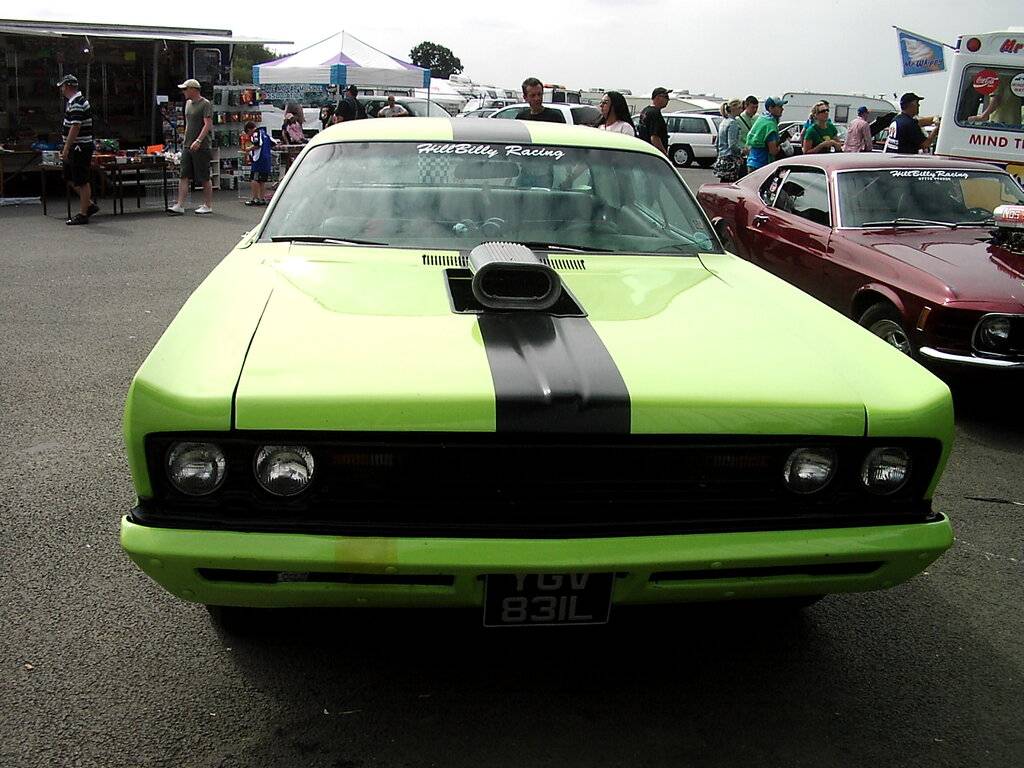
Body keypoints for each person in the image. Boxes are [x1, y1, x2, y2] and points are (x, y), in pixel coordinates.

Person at [167, 78, 213, 215]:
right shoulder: (187, 104)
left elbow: (207, 124)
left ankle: (208, 205)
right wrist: (185, 138)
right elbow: (188, 123)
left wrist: (199, 140)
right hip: (187, 144)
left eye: (185, 89)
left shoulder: (205, 104)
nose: (184, 92)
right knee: (184, 174)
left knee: (204, 176)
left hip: (201, 146)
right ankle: (179, 205)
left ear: (193, 89)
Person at [57, 74, 97, 226]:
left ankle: (83, 214)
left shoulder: (77, 103)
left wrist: (66, 148)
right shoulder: (73, 102)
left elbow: (75, 126)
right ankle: (89, 204)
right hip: (76, 146)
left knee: (82, 180)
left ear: (67, 86)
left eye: (62, 87)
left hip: (80, 147)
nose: (61, 90)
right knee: (69, 177)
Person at [744, 96, 786, 172]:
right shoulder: (770, 125)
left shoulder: (761, 119)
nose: (782, 109)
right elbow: (773, 151)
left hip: (752, 161)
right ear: (770, 108)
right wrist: (782, 147)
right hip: (762, 165)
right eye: (779, 107)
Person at [713, 99, 744, 182]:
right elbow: (732, 144)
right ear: (734, 108)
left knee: (723, 182)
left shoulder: (723, 122)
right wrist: (740, 152)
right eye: (740, 108)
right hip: (730, 159)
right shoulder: (733, 123)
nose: (741, 110)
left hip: (722, 158)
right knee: (731, 184)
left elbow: (717, 143)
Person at [243, 121, 273, 206]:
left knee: (254, 179)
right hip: (267, 159)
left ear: (249, 129)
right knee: (262, 180)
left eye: (248, 132)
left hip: (258, 159)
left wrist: (248, 149)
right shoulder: (265, 134)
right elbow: (273, 143)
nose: (248, 135)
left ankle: (255, 198)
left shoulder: (255, 134)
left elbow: (257, 144)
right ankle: (262, 198)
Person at [637, 87, 670, 155]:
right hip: (653, 152)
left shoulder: (645, 110)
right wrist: (664, 153)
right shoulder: (655, 113)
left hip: (645, 150)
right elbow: (654, 137)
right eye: (666, 97)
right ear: (657, 97)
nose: (668, 100)